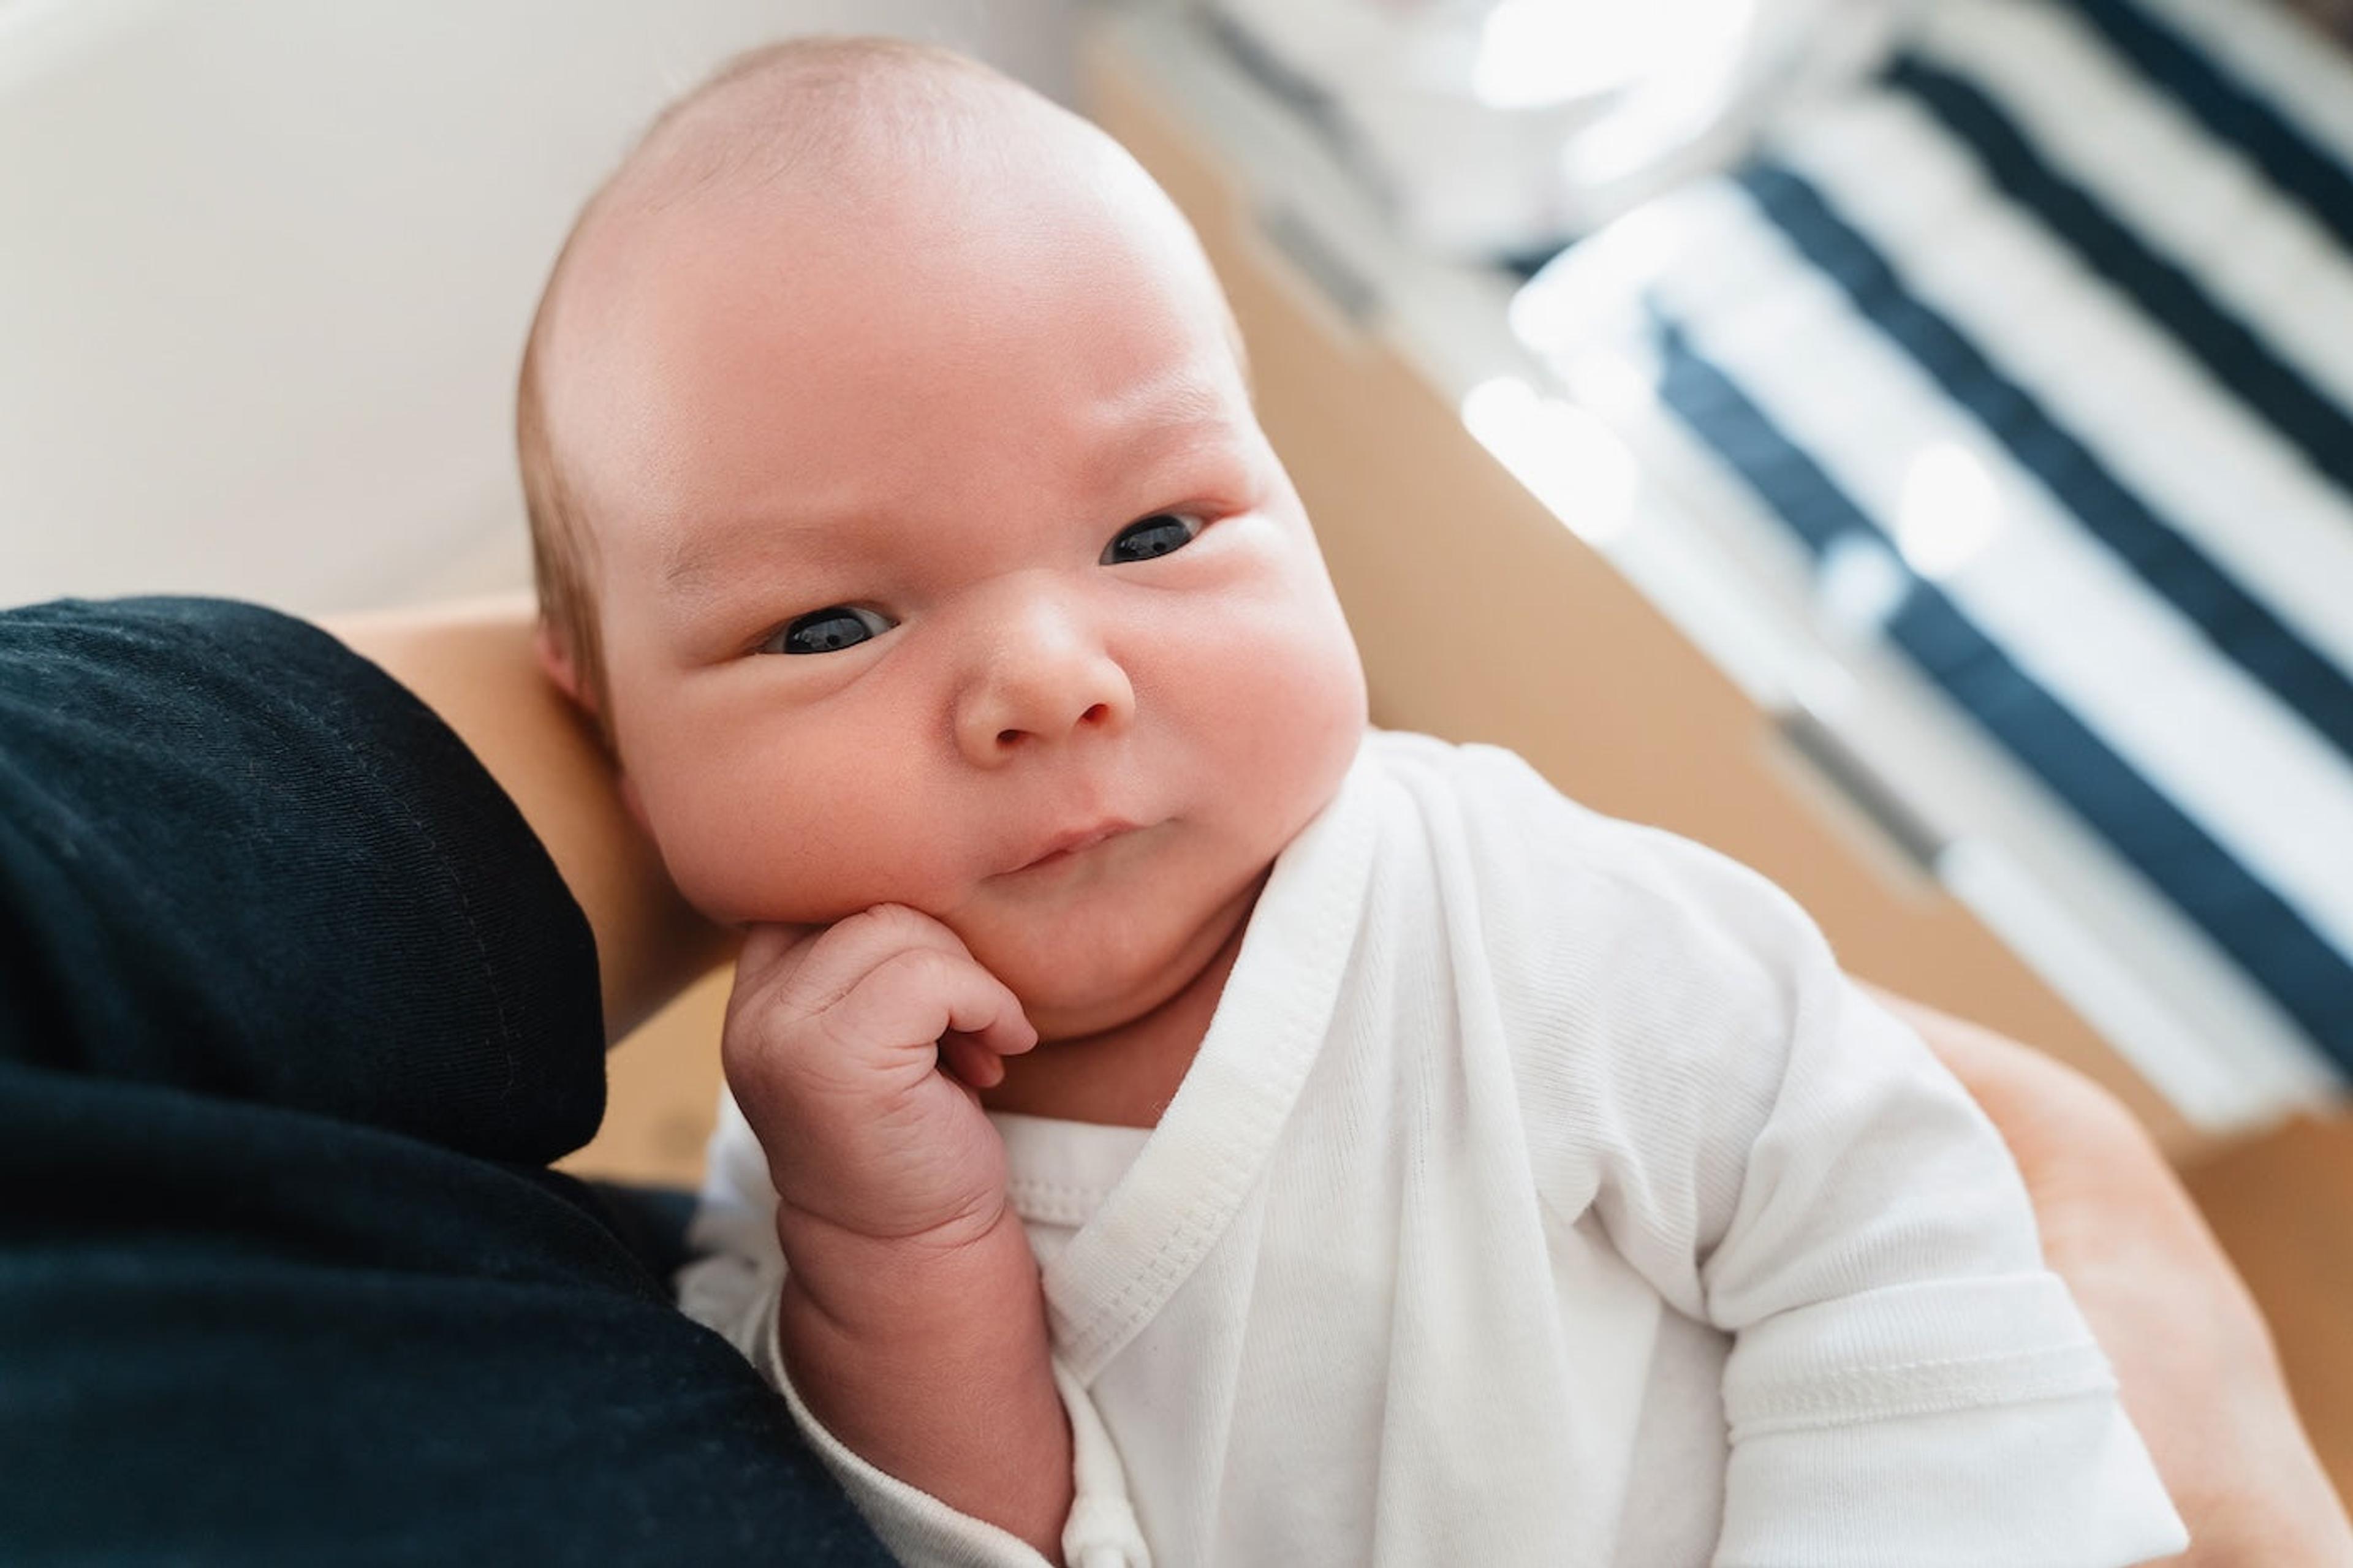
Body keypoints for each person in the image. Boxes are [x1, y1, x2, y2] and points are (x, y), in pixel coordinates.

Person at [497, 35, 2278, 1567]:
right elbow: (971, 1537)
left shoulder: (1505, 900)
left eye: (1155, 533)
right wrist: (892, 1250)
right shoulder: (806, 1165)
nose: (1051, 678)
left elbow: (1894, 1222)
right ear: (611, 726)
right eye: (829, 623)